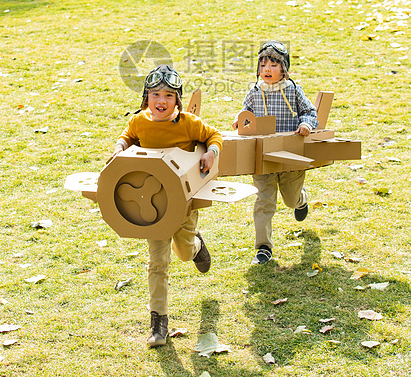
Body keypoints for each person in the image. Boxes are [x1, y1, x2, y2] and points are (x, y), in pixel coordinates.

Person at [112, 64, 223, 347]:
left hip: (183, 201)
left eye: (168, 96)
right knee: (158, 262)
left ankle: (196, 245)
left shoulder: (188, 123)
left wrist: (211, 153)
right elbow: (127, 136)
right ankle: (158, 322)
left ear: (177, 100)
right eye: (155, 95)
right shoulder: (139, 121)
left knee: (184, 253)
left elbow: (214, 136)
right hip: (153, 205)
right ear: (146, 98)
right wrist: (120, 147)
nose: (161, 101)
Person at [232, 41, 318, 266]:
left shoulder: (294, 90)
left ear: (284, 68)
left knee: (289, 199)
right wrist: (240, 120)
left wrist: (306, 124)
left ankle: (301, 199)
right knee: (264, 200)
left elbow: (310, 111)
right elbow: (245, 112)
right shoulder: (254, 91)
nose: (267, 69)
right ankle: (263, 247)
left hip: (290, 155)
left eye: (273, 64)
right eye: (263, 65)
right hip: (261, 157)